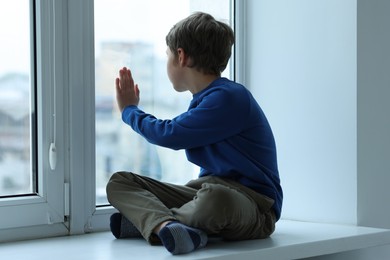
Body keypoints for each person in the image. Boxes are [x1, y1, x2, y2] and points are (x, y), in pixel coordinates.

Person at [106, 12, 283, 255]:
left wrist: (129, 111)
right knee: (119, 182)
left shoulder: (229, 97)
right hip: (205, 191)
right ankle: (167, 227)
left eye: (167, 54)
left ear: (181, 56)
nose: (167, 60)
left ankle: (151, 223)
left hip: (255, 206)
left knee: (214, 198)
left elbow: (170, 134)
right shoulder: (205, 100)